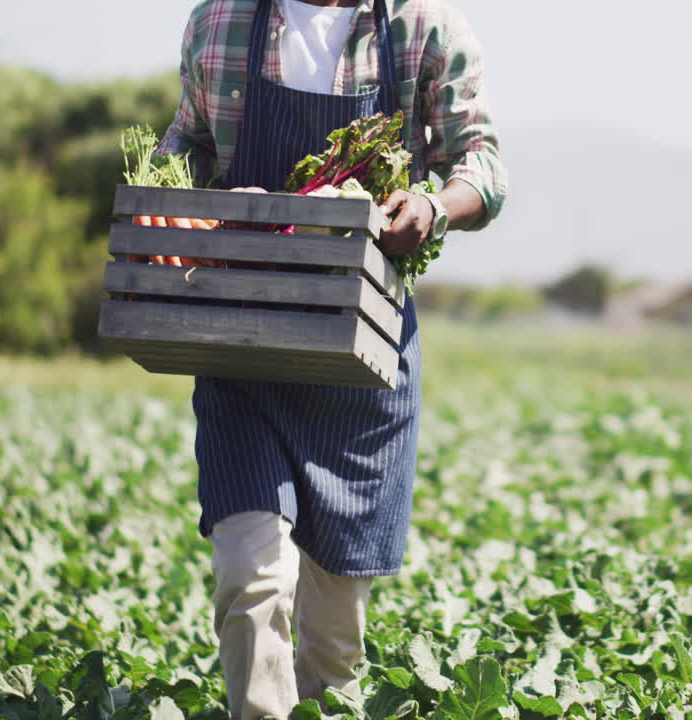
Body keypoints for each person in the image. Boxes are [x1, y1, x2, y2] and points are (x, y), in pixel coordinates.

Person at [149, 0, 507, 716]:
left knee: (334, 647)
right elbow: (184, 142)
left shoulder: (421, 26)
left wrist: (433, 208)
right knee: (251, 583)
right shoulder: (222, 21)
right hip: (244, 351)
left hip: (362, 365)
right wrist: (199, 196)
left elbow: (482, 161)